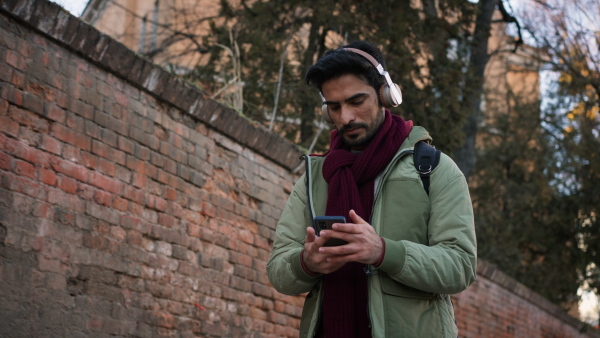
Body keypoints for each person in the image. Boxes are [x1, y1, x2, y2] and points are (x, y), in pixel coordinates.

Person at [266, 41, 477, 338]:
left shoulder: (434, 169)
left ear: (385, 94)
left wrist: (383, 251)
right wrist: (306, 263)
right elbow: (278, 272)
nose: (346, 117)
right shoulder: (316, 178)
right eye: (334, 107)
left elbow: (460, 267)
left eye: (356, 101)